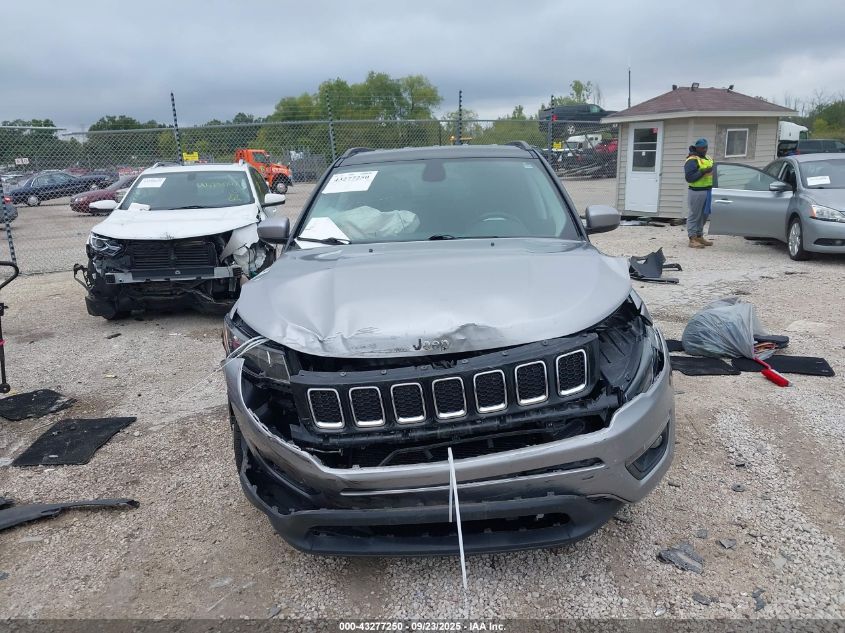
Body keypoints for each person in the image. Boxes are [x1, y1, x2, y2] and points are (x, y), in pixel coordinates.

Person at [684, 138, 715, 248]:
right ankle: (692, 239)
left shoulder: (708, 158)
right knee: (694, 215)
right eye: (702, 148)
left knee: (704, 215)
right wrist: (703, 171)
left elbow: (712, 173)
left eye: (706, 147)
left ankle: (699, 236)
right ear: (697, 148)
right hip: (696, 192)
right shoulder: (692, 160)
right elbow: (690, 178)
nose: (705, 150)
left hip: (708, 191)